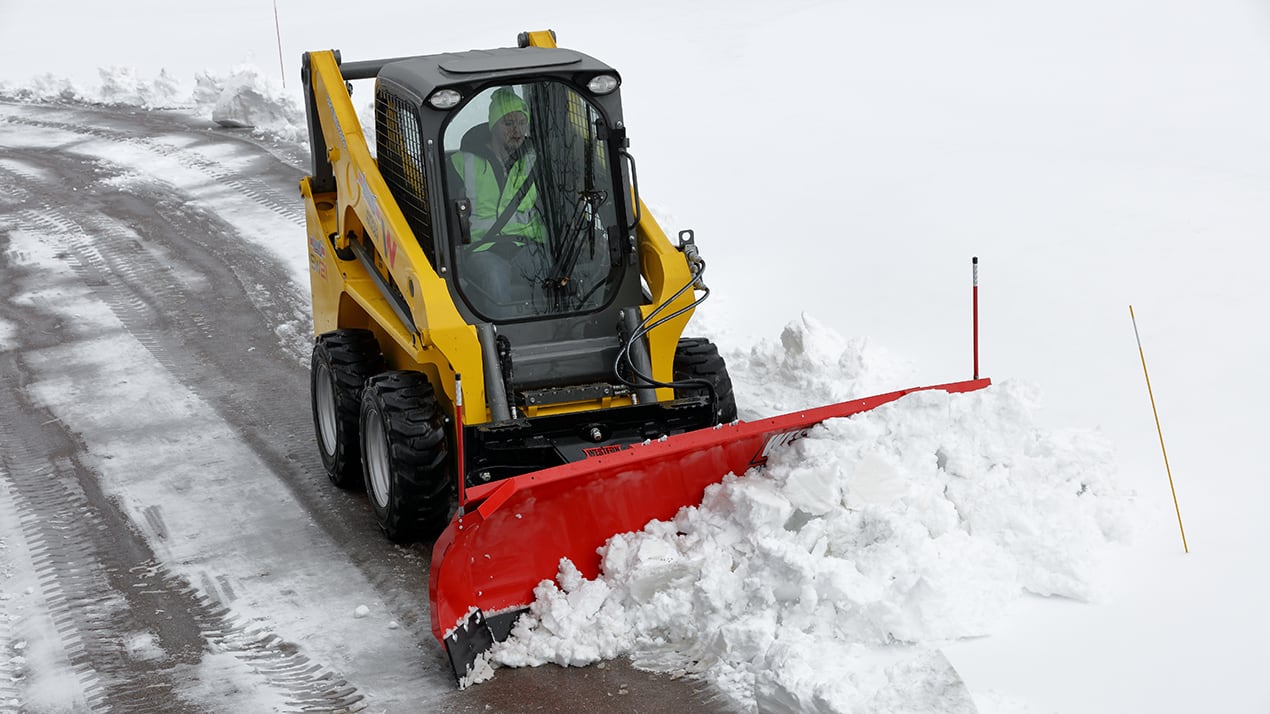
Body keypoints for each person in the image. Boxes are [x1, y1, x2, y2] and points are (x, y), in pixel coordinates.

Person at [450, 87, 546, 248]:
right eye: (508, 123)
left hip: (528, 247)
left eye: (522, 123)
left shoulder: (537, 162)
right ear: (493, 126)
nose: (516, 130)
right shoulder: (460, 164)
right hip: (481, 249)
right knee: (494, 274)